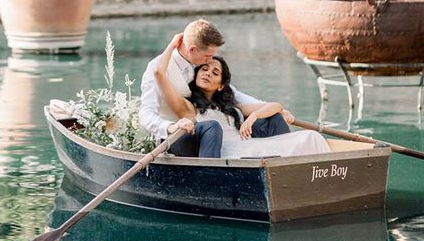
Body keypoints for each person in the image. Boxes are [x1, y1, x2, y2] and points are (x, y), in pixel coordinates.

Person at [139, 20, 292, 158]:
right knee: (212, 127)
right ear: (192, 50)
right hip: (175, 138)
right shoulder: (159, 67)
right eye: (208, 56)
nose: (211, 61)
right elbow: (146, 115)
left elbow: (235, 95)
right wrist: (170, 126)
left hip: (210, 130)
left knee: (271, 119)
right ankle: (211, 180)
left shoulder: (201, 67)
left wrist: (269, 109)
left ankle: (286, 167)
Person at [156, 50, 330, 159]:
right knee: (305, 140)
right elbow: (159, 73)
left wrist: (253, 116)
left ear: (221, 86)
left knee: (310, 137)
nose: (208, 73)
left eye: (215, 72)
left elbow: (276, 106)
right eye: (204, 69)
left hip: (248, 144)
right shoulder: (188, 107)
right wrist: (173, 46)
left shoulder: (231, 107)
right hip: (229, 153)